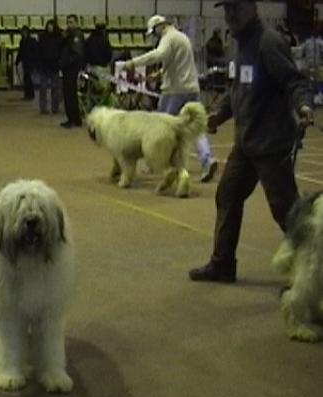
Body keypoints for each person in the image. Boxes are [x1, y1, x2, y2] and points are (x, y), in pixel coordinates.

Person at [189, 0, 314, 283]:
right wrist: (218, 116)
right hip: (246, 144)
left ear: (251, 7)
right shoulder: (239, 44)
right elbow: (237, 90)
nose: (230, 14)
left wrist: (304, 107)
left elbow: (294, 81)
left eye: (235, 7)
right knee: (228, 196)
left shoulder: (268, 42)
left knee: (287, 212)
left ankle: (314, 271)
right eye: (226, 9)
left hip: (272, 145)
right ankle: (222, 264)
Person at [124, 15, 220, 183]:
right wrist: (160, 74)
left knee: (159, 128)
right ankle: (207, 160)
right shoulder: (182, 37)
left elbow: (158, 55)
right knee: (195, 126)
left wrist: (134, 62)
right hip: (191, 87)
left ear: (159, 27)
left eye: (154, 32)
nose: (155, 36)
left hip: (174, 91)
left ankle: (154, 162)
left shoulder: (168, 38)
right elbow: (177, 62)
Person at [59, 14, 85, 128]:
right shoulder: (69, 35)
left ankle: (72, 119)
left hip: (71, 68)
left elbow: (76, 53)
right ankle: (75, 119)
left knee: (70, 95)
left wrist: (66, 63)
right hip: (68, 68)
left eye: (71, 22)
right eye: (68, 22)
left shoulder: (77, 36)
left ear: (76, 22)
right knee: (69, 94)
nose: (69, 24)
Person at [37, 19, 63, 115]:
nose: (49, 27)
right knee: (43, 88)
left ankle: (55, 107)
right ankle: (43, 107)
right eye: (48, 25)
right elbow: (39, 51)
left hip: (55, 65)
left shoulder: (59, 38)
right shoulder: (42, 37)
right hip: (44, 65)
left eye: (51, 25)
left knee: (55, 88)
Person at [15, 25, 38, 100]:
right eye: (23, 32)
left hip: (31, 62)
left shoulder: (32, 40)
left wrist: (35, 62)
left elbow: (35, 52)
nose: (24, 33)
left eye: (25, 32)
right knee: (26, 79)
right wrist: (17, 61)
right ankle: (28, 94)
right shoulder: (22, 41)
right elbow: (20, 52)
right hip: (25, 62)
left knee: (28, 79)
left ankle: (30, 94)